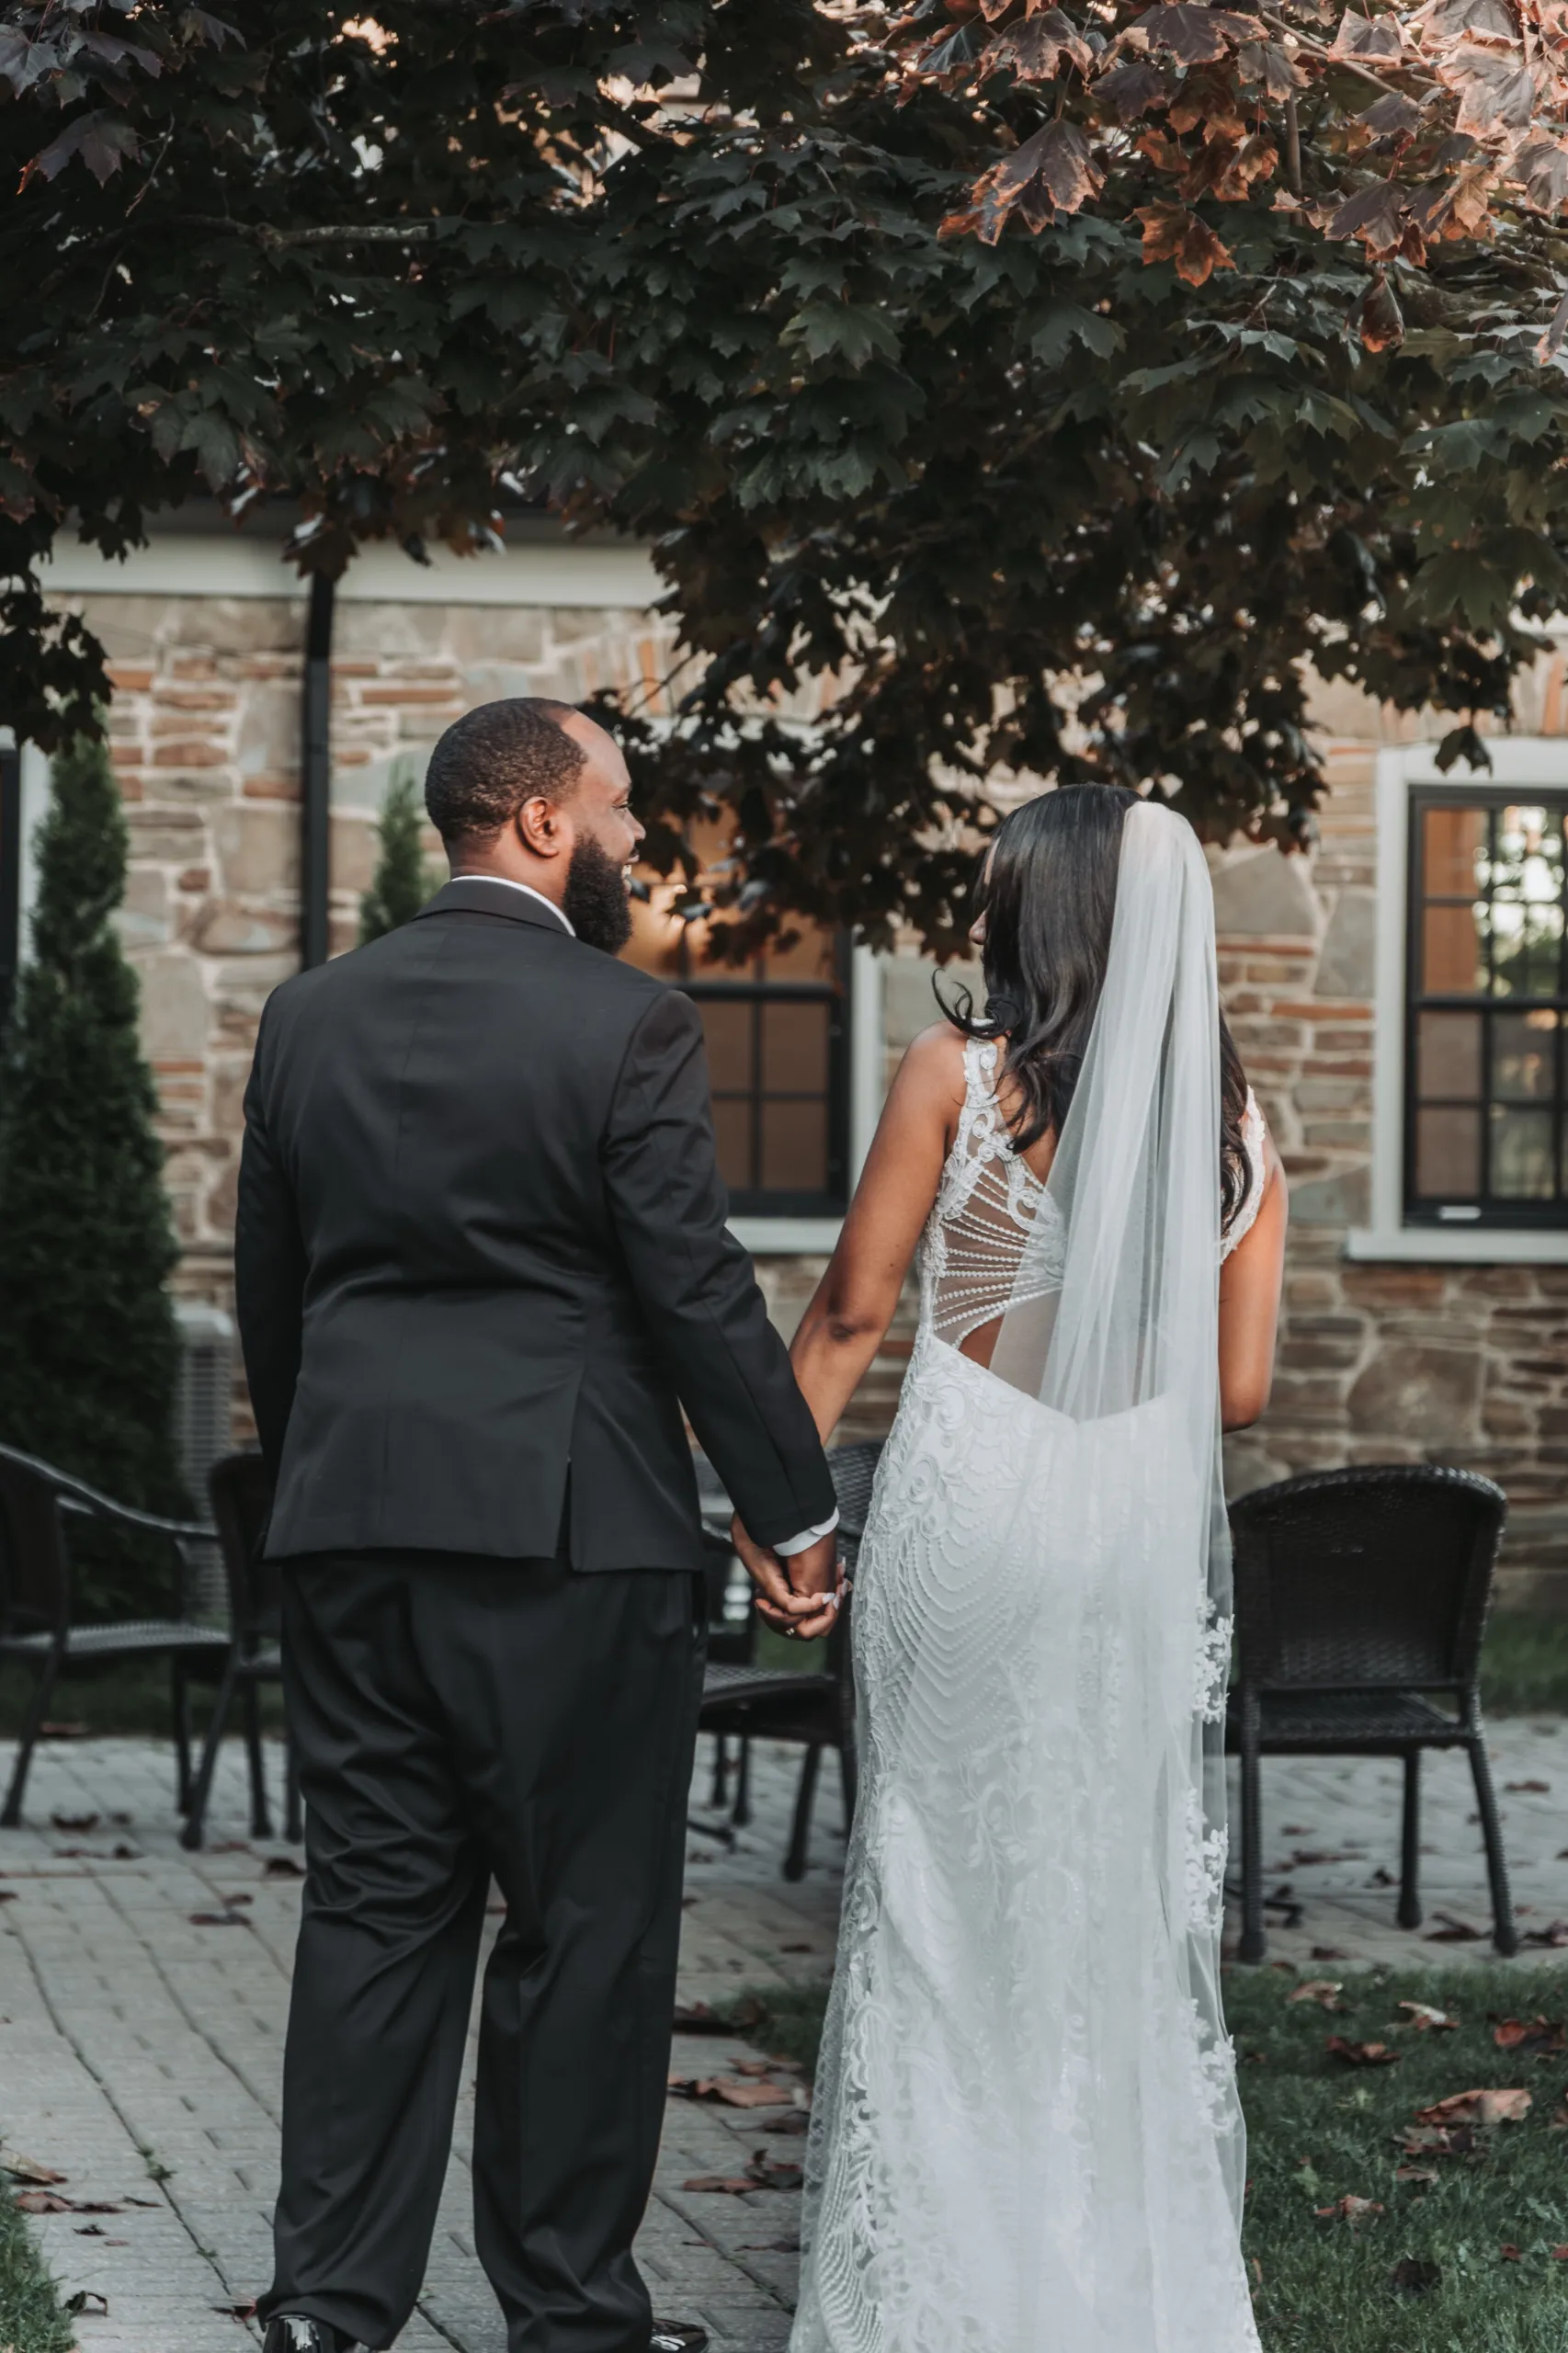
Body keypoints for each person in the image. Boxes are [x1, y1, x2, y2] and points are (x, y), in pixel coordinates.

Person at [234, 697, 842, 2353]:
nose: (641, 840)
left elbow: (271, 1303)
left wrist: (324, 1489)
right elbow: (693, 1286)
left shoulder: (307, 1019)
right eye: (624, 809)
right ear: (543, 826)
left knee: (370, 1912)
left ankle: (327, 2308)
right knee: (584, 1929)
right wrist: (788, 1505)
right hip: (572, 1538)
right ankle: (570, 2316)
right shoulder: (623, 1027)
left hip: (353, 1526)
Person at [746, 788, 1287, 2353]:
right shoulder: (1239, 1130)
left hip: (969, 1497)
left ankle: (937, 2279)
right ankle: (1101, 2263)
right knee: (1096, 1886)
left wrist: (780, 1512)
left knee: (933, 1878)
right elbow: (1236, 1390)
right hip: (1121, 1515)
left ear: (1031, 917)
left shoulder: (955, 1078)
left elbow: (851, 1312)